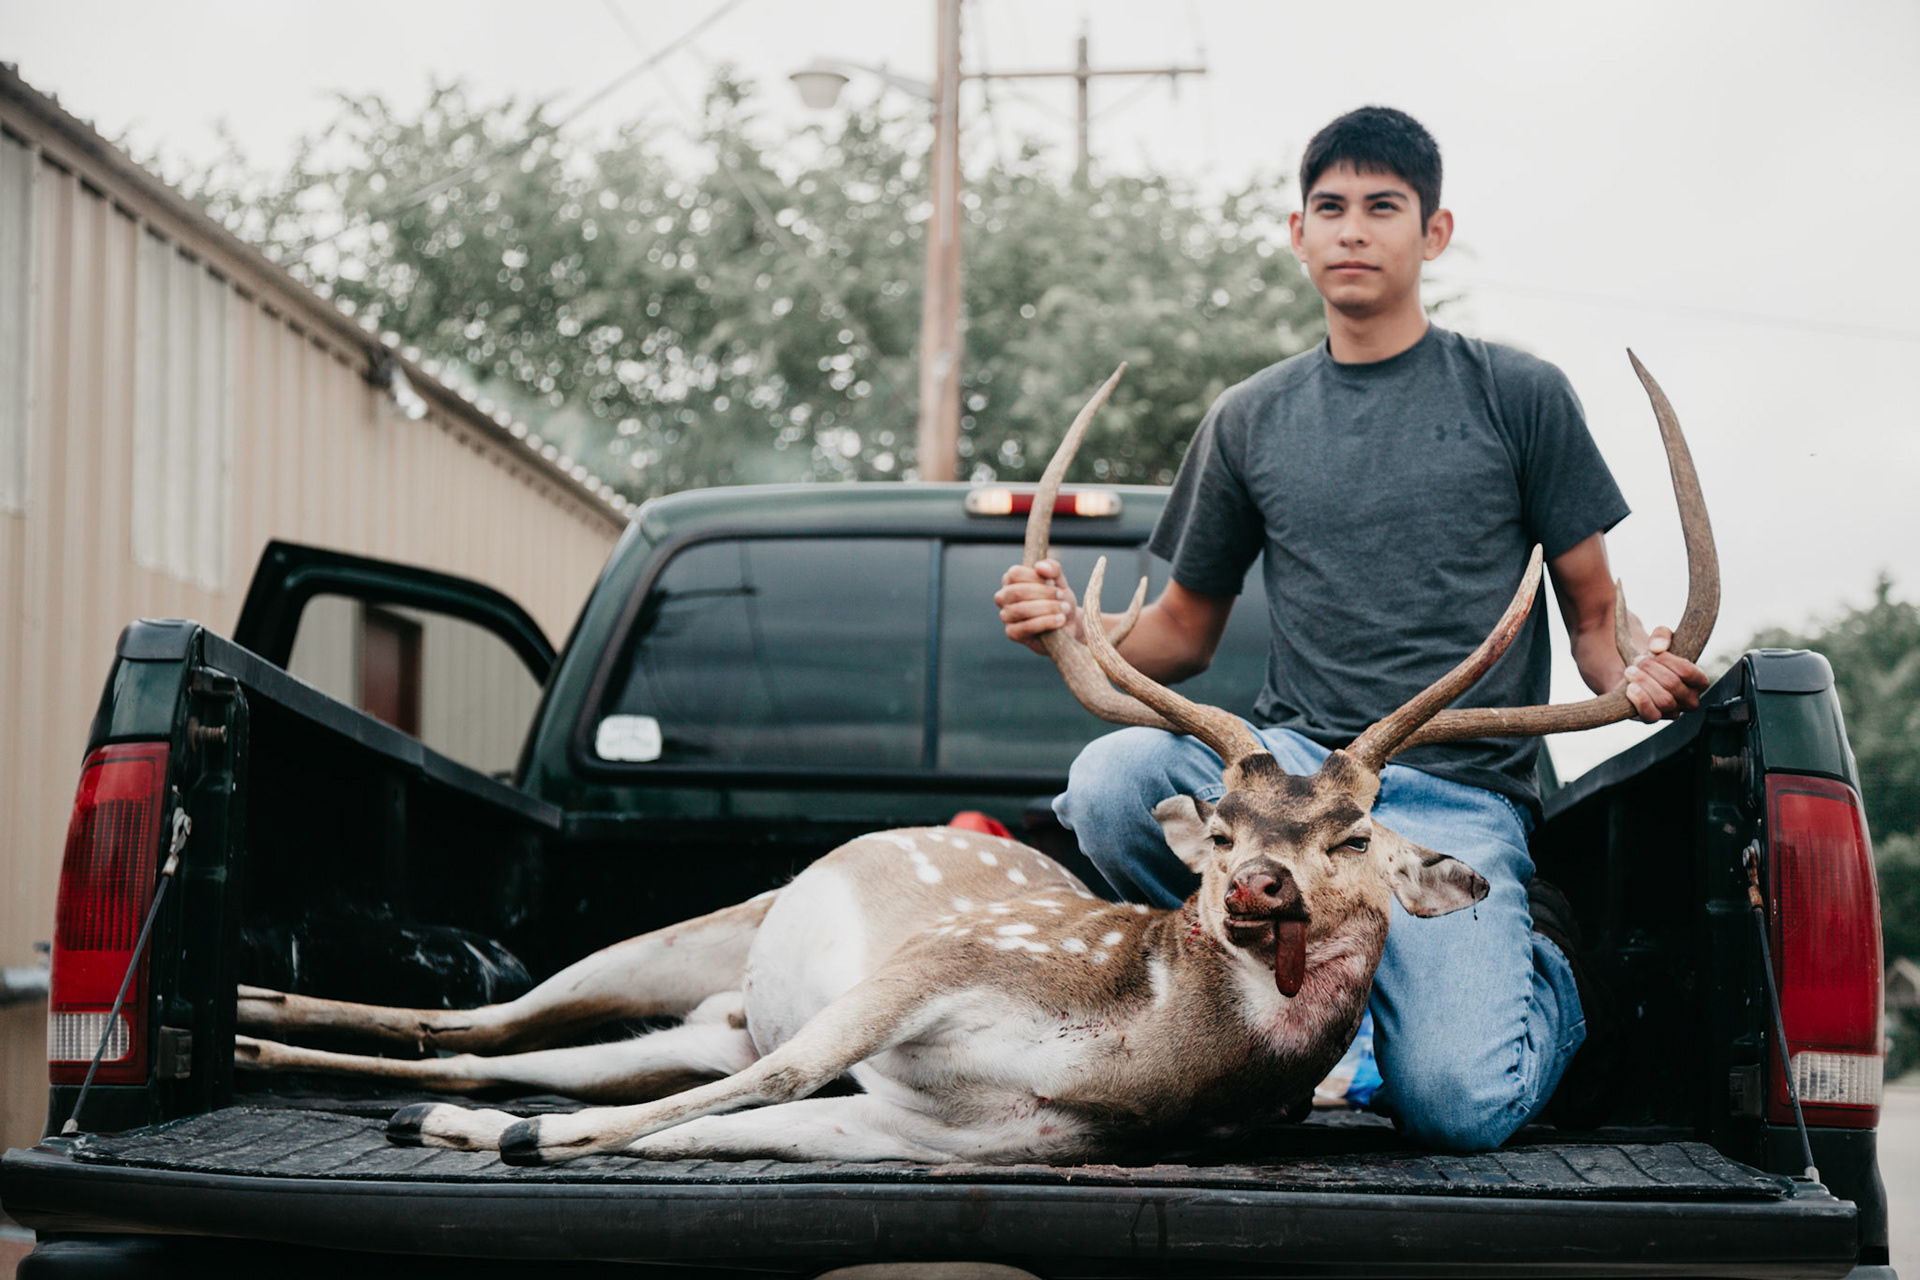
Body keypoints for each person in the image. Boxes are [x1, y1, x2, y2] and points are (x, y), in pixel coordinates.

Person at [994, 106, 1708, 1152]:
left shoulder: (1520, 395)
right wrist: (1064, 631)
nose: (1354, 229)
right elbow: (1181, 634)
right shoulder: (1251, 416)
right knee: (1111, 780)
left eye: (1385, 207)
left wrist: (1637, 669)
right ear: (1298, 233)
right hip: (1293, 776)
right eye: (1330, 208)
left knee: (1463, 1107)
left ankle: (1542, 964)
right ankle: (1299, 998)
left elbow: (1598, 623)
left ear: (1435, 231)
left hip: (1455, 794)